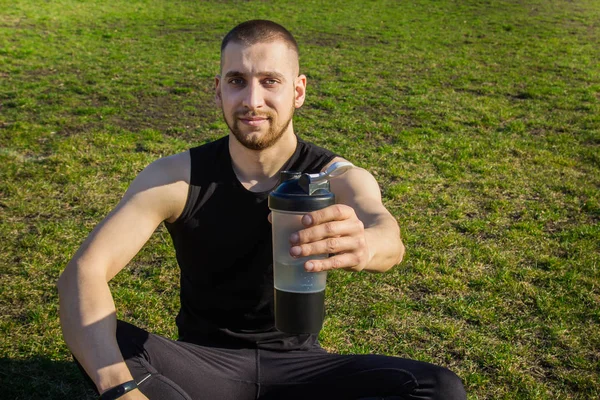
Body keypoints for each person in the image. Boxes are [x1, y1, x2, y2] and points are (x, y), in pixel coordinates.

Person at [58, 20, 466, 400]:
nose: (253, 101)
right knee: (105, 339)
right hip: (202, 366)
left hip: (302, 369)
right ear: (218, 89)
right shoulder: (175, 177)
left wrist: (365, 246)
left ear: (298, 90)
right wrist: (118, 389)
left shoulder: (334, 177)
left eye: (270, 81)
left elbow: (387, 235)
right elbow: (84, 272)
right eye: (238, 81)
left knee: (437, 388)